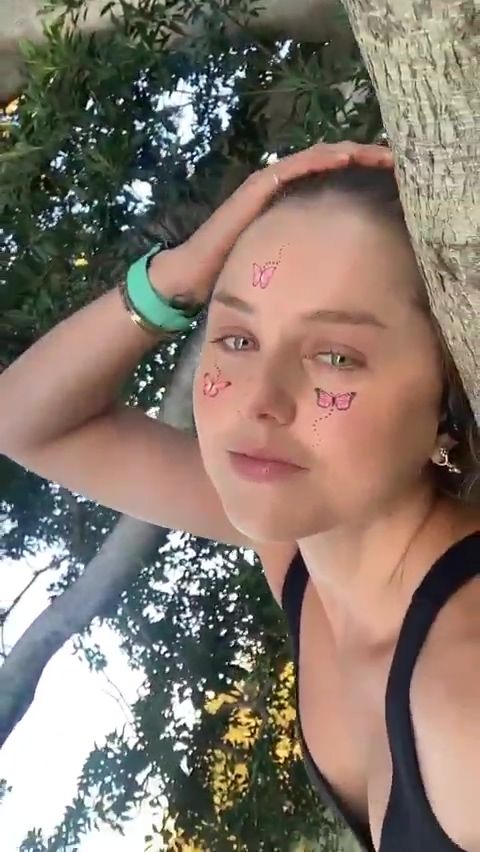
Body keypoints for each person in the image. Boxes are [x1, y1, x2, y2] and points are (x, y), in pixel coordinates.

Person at [0, 141, 479, 852]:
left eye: (336, 356)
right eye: (237, 338)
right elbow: (28, 422)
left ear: (444, 398)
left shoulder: (465, 690)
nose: (261, 400)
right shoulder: (305, 553)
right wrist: (179, 274)